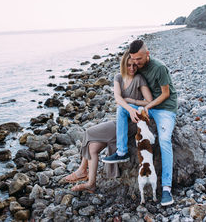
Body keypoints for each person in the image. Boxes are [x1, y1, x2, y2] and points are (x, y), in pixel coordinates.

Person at [63, 51, 153, 193]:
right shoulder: (118, 77)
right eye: (128, 65)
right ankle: (91, 183)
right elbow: (117, 98)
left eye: (134, 65)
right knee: (92, 148)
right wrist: (128, 107)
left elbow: (149, 101)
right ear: (123, 64)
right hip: (121, 120)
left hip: (133, 123)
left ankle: (81, 170)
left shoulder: (139, 79)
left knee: (88, 132)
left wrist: (132, 102)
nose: (131, 68)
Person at [102, 39, 177, 206]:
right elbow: (120, 95)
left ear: (147, 54)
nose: (135, 63)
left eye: (138, 60)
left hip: (164, 108)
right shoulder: (135, 70)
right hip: (147, 106)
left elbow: (165, 94)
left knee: (164, 140)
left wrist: (147, 107)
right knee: (122, 109)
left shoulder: (159, 68)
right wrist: (131, 107)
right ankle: (122, 152)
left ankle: (166, 189)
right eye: (133, 59)